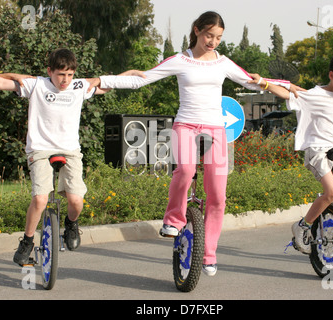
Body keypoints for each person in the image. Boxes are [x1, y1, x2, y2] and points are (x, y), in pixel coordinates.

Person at [88, 11, 299, 276]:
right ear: (197, 30)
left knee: (218, 196)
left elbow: (254, 81)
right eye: (209, 35)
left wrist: (290, 88)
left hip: (214, 130)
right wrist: (102, 80)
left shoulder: (223, 62)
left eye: (218, 37)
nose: (213, 41)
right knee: (185, 170)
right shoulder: (180, 60)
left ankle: (209, 253)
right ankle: (173, 219)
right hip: (185, 125)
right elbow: (142, 78)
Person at [0, 48, 140, 265]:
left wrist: (130, 74)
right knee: (40, 199)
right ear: (49, 71)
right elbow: (1, 82)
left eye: (70, 75)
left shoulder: (79, 86)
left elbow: (109, 84)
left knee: (76, 201)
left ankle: (71, 225)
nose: (65, 80)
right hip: (40, 150)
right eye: (61, 74)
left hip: (70, 150)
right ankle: (27, 241)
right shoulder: (37, 85)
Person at [249, 53, 333, 254]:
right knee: (332, 193)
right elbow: (285, 93)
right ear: (331, 75)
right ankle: (303, 225)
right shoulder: (312, 94)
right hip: (316, 149)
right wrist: (263, 83)